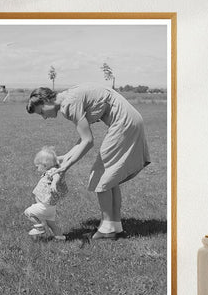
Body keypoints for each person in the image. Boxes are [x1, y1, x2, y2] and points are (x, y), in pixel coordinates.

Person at [26, 83, 150, 240]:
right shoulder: (68, 97)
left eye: (42, 112)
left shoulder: (69, 105)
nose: (44, 117)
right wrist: (66, 156)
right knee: (109, 178)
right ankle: (115, 226)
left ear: (46, 101)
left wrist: (64, 168)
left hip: (123, 123)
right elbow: (83, 139)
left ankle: (107, 229)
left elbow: (88, 141)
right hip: (130, 120)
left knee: (100, 176)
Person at [24, 146, 68, 239]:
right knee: (51, 224)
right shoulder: (52, 168)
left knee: (28, 212)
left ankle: (39, 227)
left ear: (44, 165)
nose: (36, 169)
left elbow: (56, 175)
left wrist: (54, 183)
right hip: (51, 207)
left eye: (37, 166)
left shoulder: (52, 171)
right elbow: (55, 163)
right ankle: (60, 237)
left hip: (44, 206)